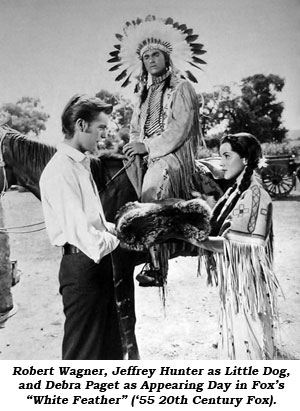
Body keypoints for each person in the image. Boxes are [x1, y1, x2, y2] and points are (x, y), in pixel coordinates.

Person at [108, 15, 207, 286]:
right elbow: (135, 127)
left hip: (171, 155)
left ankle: (157, 265)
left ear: (167, 57)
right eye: (146, 57)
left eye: (156, 54)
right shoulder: (142, 93)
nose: (151, 60)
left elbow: (179, 130)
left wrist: (148, 146)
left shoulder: (182, 87)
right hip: (145, 154)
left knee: (151, 192)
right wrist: (134, 146)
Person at [169, 133, 280, 359]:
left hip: (248, 286)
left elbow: (240, 245)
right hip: (236, 284)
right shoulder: (236, 191)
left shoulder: (254, 194)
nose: (222, 163)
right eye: (221, 156)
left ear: (246, 158)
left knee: (249, 352)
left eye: (227, 156)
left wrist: (195, 239)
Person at [39, 94, 123, 360]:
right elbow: (88, 240)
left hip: (94, 267)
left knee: (107, 351)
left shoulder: (80, 165)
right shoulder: (60, 170)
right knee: (83, 357)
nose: (103, 136)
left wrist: (113, 227)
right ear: (81, 125)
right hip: (83, 267)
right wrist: (119, 236)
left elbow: (91, 221)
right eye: (100, 128)